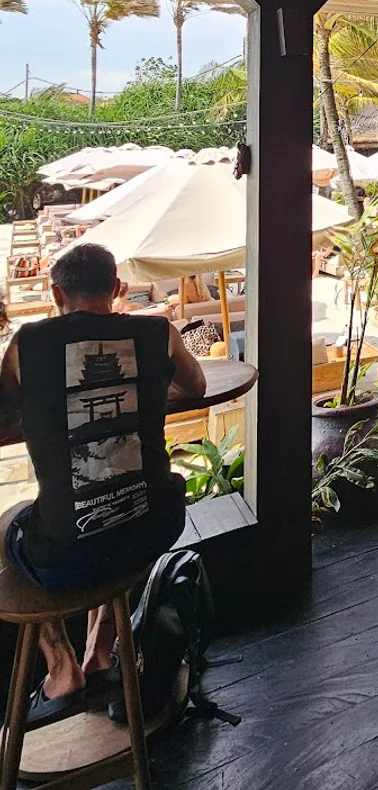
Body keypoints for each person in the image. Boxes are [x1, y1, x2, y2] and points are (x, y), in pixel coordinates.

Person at [0, 243, 205, 727]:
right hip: (153, 528)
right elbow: (195, 386)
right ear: (116, 288)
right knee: (123, 505)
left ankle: (60, 664)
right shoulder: (157, 332)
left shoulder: (27, 343)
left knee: (11, 521)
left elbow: (4, 413)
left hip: (64, 556)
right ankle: (101, 649)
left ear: (56, 294)